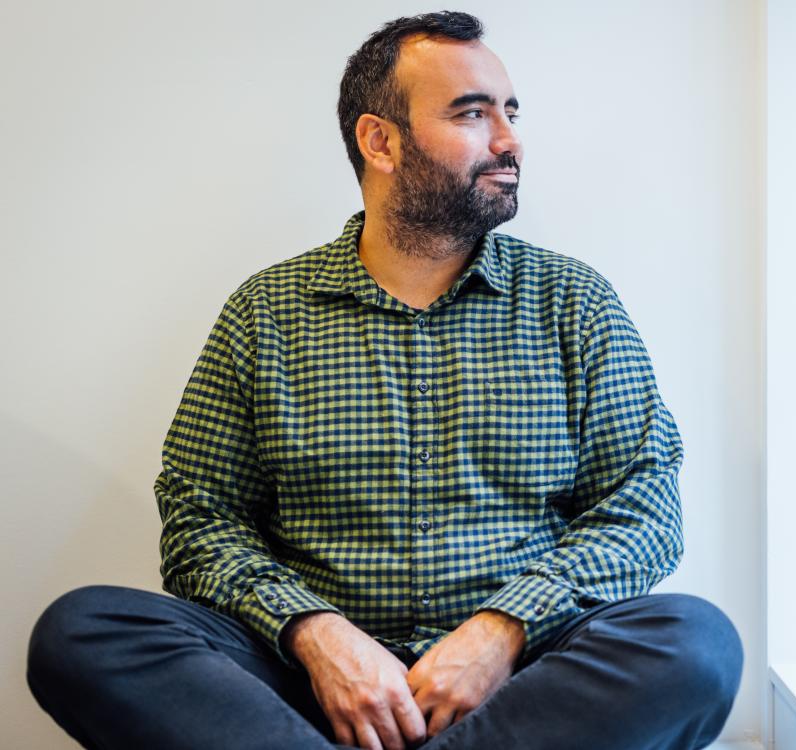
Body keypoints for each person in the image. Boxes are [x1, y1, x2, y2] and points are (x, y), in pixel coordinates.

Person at [26, 11, 743, 750]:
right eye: (472, 112)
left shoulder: (573, 302)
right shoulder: (266, 312)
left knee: (694, 643)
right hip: (301, 691)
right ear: (380, 140)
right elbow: (199, 517)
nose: (508, 139)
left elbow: (644, 507)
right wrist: (316, 635)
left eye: (511, 110)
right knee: (84, 631)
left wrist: (501, 631)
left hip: (522, 688)